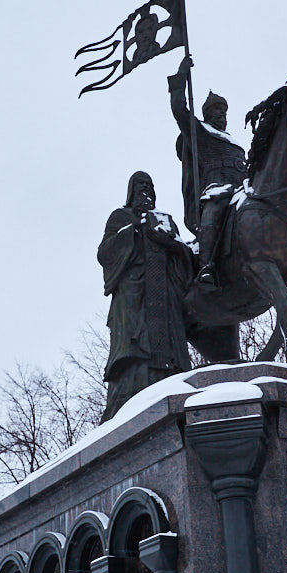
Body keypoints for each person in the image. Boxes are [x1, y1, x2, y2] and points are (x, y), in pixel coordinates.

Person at [97, 172, 193, 421]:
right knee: (136, 349)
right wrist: (136, 231)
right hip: (134, 296)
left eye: (149, 185)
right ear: (131, 190)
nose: (145, 189)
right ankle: (128, 396)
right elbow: (104, 253)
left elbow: (185, 257)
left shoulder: (165, 221)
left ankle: (168, 380)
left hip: (165, 298)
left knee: (169, 353)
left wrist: (170, 243)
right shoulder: (120, 217)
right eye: (140, 184)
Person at [168, 54, 248, 286]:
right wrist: (181, 77)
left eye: (224, 110)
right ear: (207, 115)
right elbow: (179, 110)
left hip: (241, 190)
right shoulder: (200, 133)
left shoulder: (234, 142)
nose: (222, 114)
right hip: (216, 189)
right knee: (214, 211)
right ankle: (206, 266)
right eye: (216, 111)